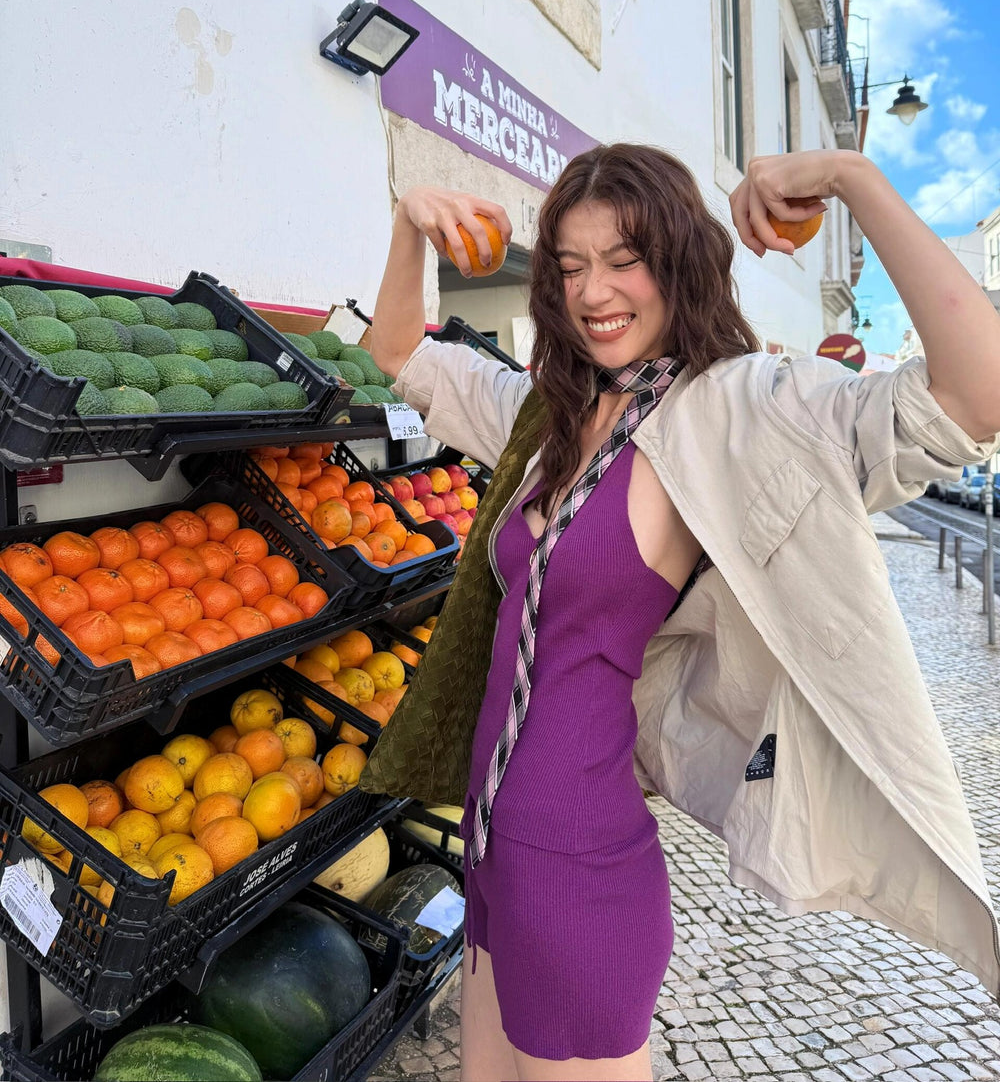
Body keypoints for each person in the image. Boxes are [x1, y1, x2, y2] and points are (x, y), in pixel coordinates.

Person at [361, 144, 1000, 1082]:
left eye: (625, 259)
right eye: (571, 266)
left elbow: (975, 397)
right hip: (493, 839)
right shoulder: (552, 414)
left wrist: (852, 178)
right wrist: (409, 221)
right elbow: (398, 355)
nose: (594, 291)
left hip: (577, 860)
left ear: (679, 262)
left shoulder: (735, 410)